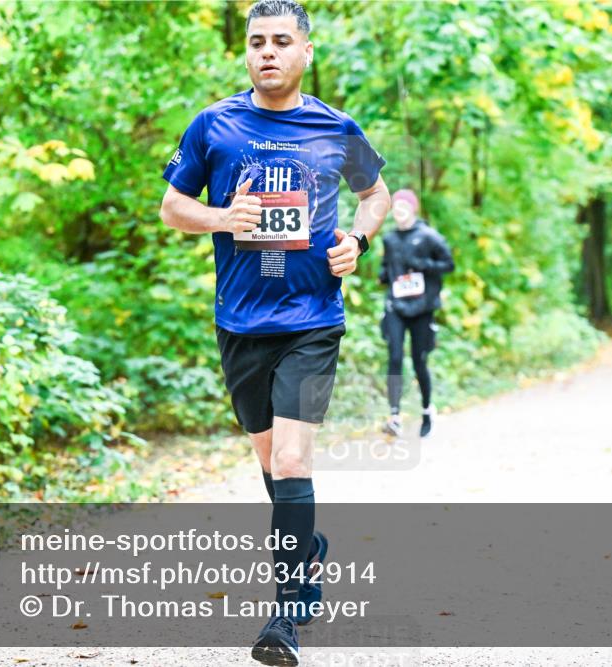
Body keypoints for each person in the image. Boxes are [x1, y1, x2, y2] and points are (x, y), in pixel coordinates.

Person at [159, 1, 390, 663]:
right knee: (271, 462)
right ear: (246, 51)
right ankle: (308, 546)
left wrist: (359, 238)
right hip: (240, 320)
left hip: (313, 318)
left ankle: (283, 615)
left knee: (292, 460)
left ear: (305, 52)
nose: (268, 51)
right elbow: (173, 206)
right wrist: (223, 218)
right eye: (257, 41)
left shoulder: (335, 126)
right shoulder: (216, 125)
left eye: (281, 41)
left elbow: (375, 194)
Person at [378, 189, 454, 438]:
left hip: (422, 308)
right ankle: (395, 416)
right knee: (395, 357)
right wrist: (384, 276)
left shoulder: (429, 236)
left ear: (413, 209)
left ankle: (426, 411)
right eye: (395, 207)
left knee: (419, 361)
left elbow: (449, 265)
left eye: (403, 206)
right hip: (396, 306)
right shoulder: (389, 239)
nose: (398, 211)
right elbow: (386, 267)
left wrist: (425, 266)